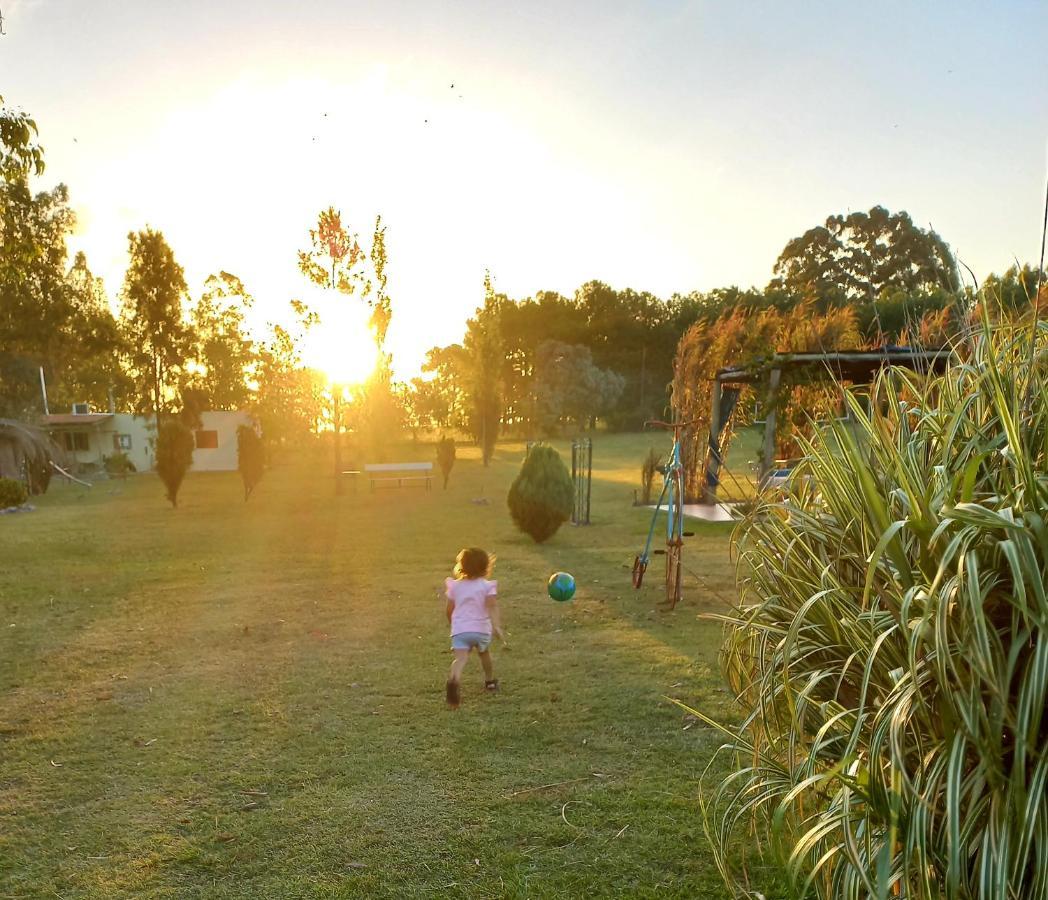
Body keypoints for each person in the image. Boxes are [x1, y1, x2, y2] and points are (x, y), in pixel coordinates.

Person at [444, 547, 506, 709]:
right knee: (484, 654)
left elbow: (449, 609)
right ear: (486, 567)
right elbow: (492, 606)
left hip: (460, 629)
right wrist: (496, 626)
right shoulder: (486, 586)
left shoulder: (455, 586)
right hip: (480, 629)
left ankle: (454, 679)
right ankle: (490, 681)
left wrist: (454, 623)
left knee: (460, 659)